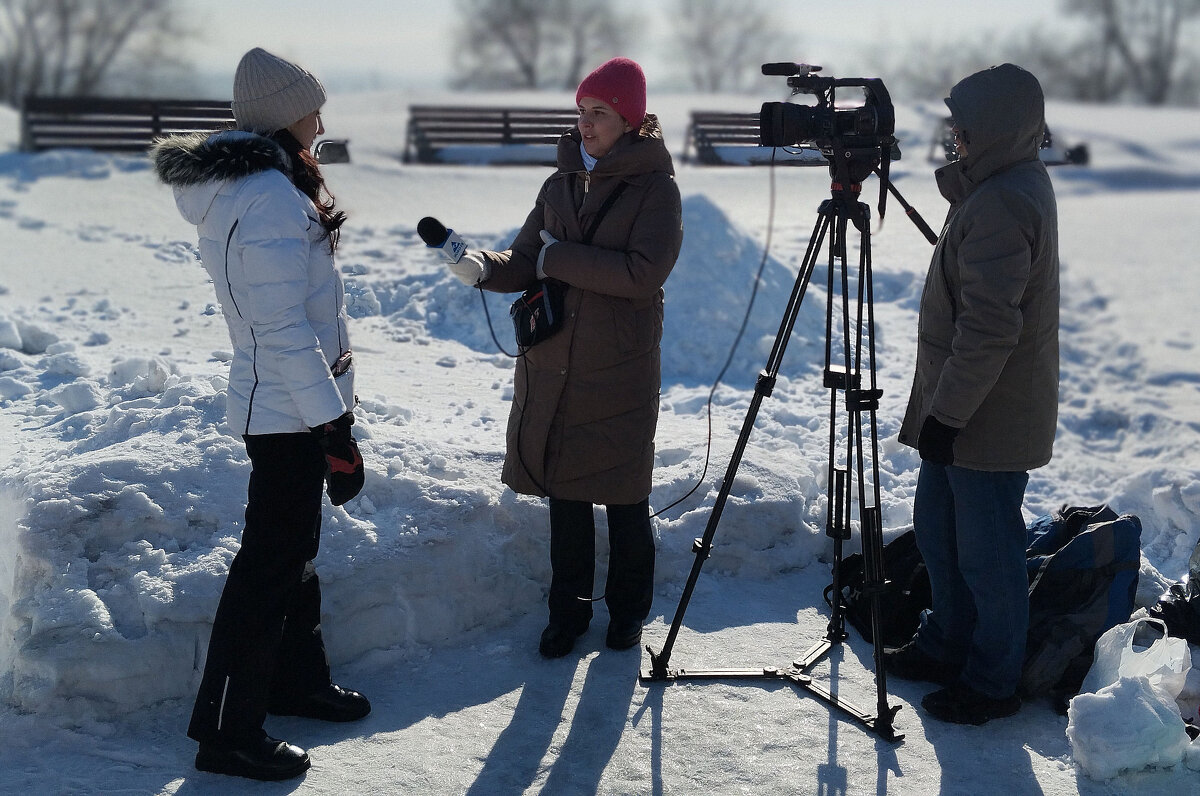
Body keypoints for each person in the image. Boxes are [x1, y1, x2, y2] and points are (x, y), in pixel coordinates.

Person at [152, 47, 369, 780]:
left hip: (290, 404)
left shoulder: (268, 185)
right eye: (312, 103)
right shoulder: (270, 198)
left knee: (293, 552)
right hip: (285, 410)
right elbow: (281, 331)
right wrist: (331, 426)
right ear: (284, 113)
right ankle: (227, 730)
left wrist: (330, 417)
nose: (321, 115)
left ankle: (295, 680)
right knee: (269, 565)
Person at [443, 57, 683, 658]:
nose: (586, 123)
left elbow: (642, 272)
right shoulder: (560, 183)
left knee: (626, 497)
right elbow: (527, 256)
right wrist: (483, 268)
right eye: (581, 111)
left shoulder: (656, 189)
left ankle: (628, 613)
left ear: (630, 119)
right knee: (566, 497)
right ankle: (567, 615)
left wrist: (558, 260)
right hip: (556, 364)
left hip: (618, 370)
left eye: (599, 113)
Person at [885, 63, 1059, 726]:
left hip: (986, 416)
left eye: (962, 126)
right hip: (959, 408)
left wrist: (947, 416)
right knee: (939, 533)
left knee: (988, 558)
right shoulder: (996, 188)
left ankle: (991, 680)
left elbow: (989, 328)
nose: (952, 135)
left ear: (992, 130)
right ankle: (946, 643)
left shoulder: (1006, 200)